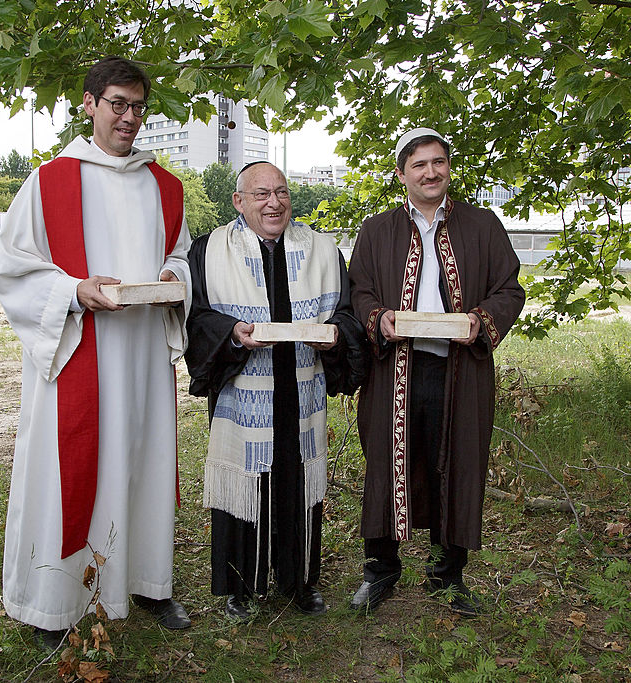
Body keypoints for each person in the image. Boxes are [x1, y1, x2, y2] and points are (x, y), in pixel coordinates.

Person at [0, 56, 193, 639]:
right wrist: (76, 289)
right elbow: (14, 270)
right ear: (89, 104)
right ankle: (54, 598)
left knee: (144, 463)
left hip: (142, 361)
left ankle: (148, 583)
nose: (129, 118)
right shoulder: (50, 180)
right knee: (68, 471)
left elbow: (179, 256)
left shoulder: (165, 186)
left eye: (138, 107)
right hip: (79, 350)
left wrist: (169, 278)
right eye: (117, 104)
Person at [347, 128, 525, 616]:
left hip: (460, 370)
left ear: (448, 167)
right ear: (402, 173)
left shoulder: (483, 225)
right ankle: (380, 570)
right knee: (388, 463)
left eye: (438, 162)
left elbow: (509, 290)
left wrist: (479, 320)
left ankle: (448, 575)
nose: (431, 172)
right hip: (394, 369)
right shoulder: (377, 229)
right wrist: (378, 317)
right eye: (419, 164)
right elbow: (359, 290)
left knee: (458, 463)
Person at [185, 161, 368, 619]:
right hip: (242, 389)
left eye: (281, 192)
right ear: (239, 202)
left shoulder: (322, 250)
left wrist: (332, 334)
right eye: (261, 194)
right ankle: (239, 587)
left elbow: (347, 313)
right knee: (243, 484)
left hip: (299, 391)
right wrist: (232, 333)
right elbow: (197, 319)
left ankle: (300, 583)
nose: (274, 202)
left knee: (298, 485)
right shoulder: (209, 251)